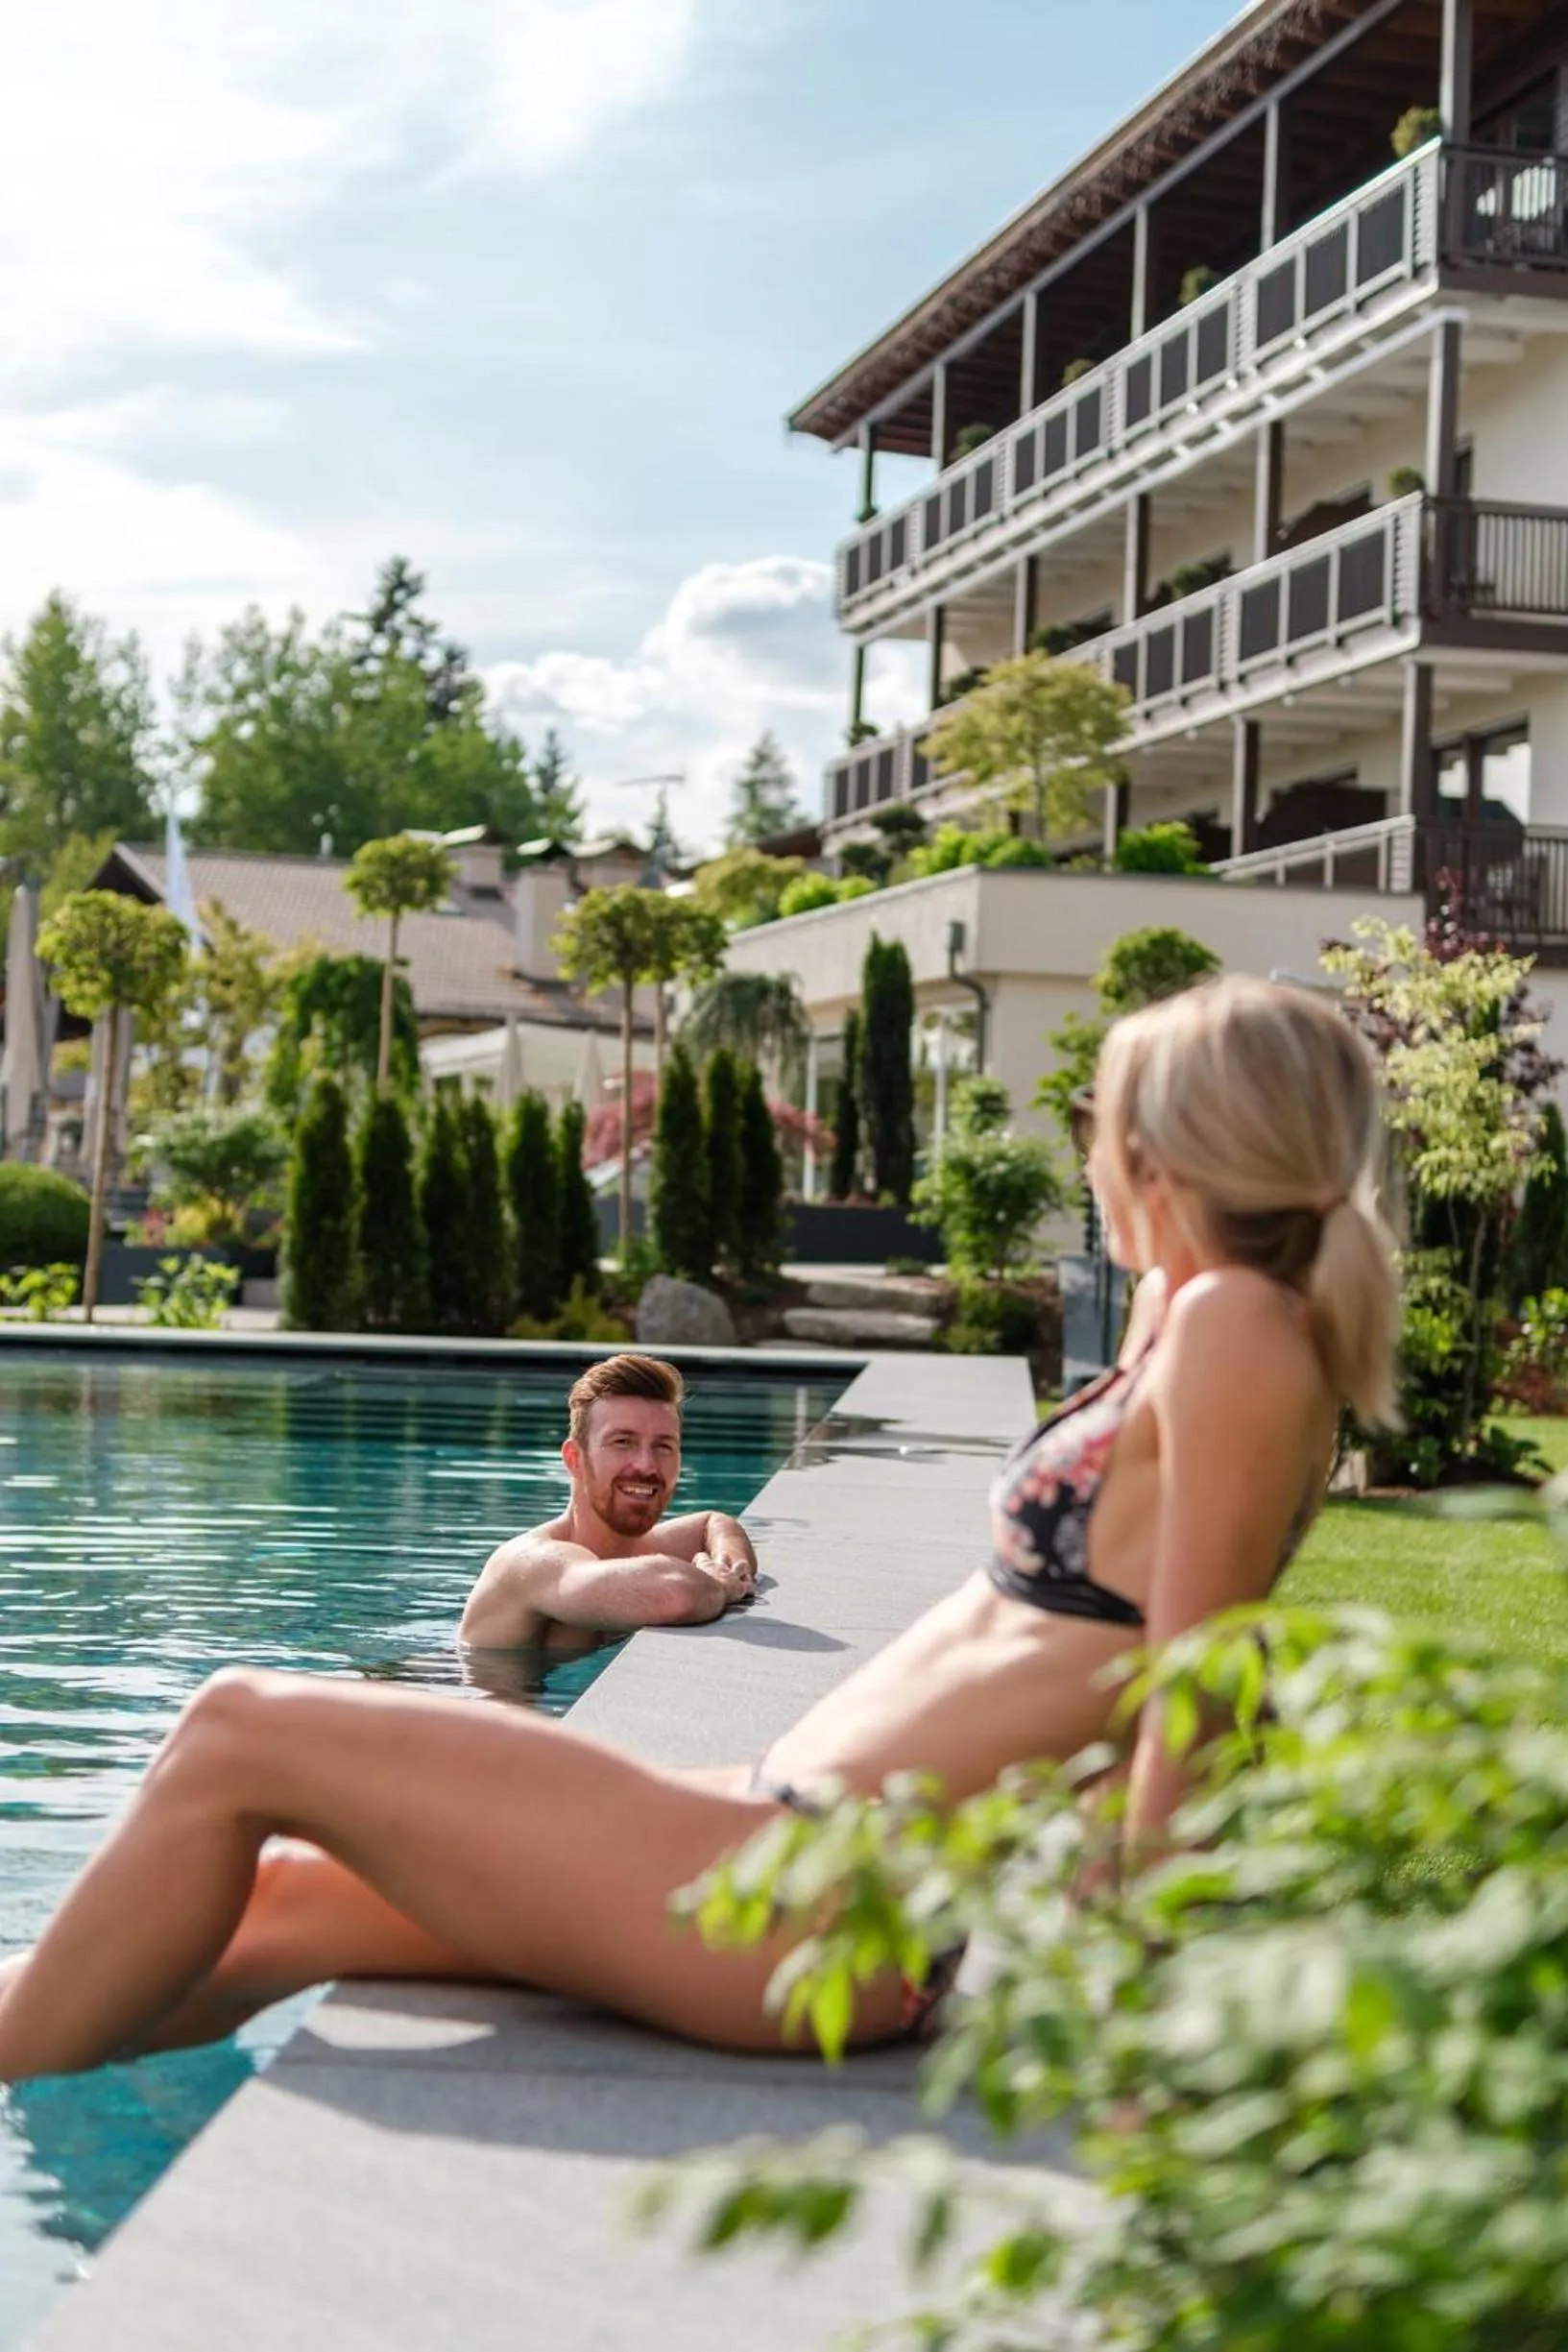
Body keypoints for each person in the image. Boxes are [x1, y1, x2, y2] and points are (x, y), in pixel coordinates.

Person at [0, 978, 1400, 2082]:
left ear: (1168, 1142)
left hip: (808, 1904)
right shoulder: (1206, 1320)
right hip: (790, 1856)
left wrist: (1146, 2017)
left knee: (242, 1723)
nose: (1091, 1144)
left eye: (1107, 1117)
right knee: (285, 1904)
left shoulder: (1238, 1328)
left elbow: (1198, 1681)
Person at [459, 1354, 758, 1650]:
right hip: (447, 1689)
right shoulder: (531, 1563)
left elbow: (714, 1524)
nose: (646, 1465)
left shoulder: (641, 1549)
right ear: (574, 1458)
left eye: (663, 1446)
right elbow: (674, 1594)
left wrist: (726, 1565)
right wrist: (720, 1586)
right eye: (622, 1442)